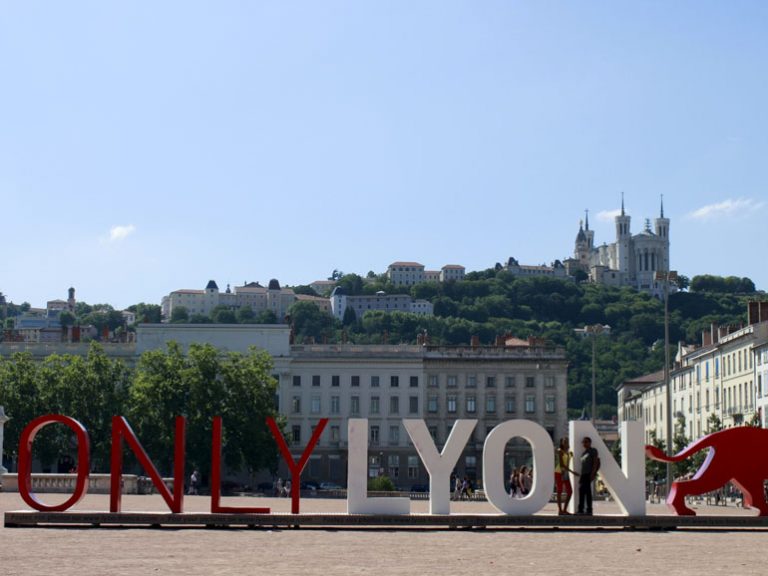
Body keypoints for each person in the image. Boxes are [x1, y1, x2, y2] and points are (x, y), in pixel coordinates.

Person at [555, 437, 578, 515]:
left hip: (565, 473)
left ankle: (564, 510)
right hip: (559, 472)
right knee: (559, 491)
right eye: (564, 442)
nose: (566, 443)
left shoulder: (569, 453)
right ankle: (560, 510)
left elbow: (567, 463)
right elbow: (561, 465)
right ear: (561, 443)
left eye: (567, 442)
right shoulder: (560, 451)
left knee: (569, 491)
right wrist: (572, 472)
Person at [577, 437, 600, 515]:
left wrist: (593, 473)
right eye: (583, 442)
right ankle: (581, 509)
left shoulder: (593, 451)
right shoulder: (583, 453)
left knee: (587, 492)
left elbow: (595, 462)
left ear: (590, 442)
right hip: (583, 474)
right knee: (581, 491)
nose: (584, 444)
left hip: (589, 474)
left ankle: (589, 510)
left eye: (586, 442)